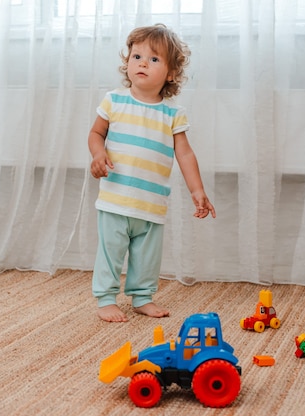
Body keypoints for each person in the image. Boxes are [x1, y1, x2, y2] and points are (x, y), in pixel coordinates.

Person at [88, 24, 216, 323]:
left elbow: (184, 153)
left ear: (171, 73)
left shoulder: (172, 113)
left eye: (154, 59)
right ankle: (106, 298)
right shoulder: (114, 100)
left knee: (147, 257)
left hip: (151, 202)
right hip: (116, 199)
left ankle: (142, 296)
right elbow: (96, 133)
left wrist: (197, 190)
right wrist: (98, 153)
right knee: (111, 252)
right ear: (128, 62)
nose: (143, 63)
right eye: (137, 56)